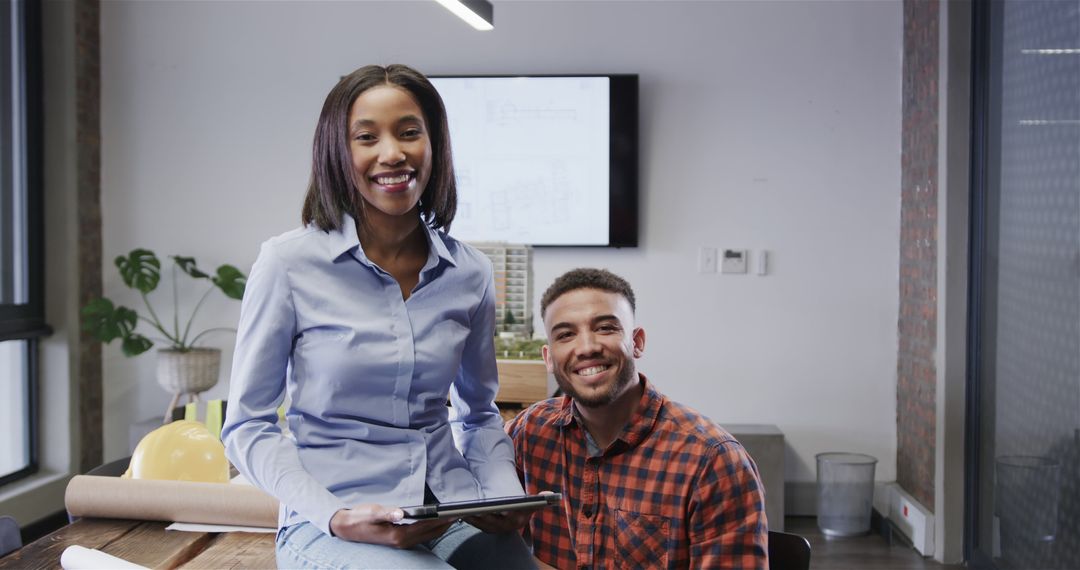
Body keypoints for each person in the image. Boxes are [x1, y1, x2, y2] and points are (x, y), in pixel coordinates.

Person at [221, 64, 536, 569]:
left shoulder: (470, 273)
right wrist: (336, 514)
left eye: (409, 132)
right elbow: (247, 426)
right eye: (367, 137)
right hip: (331, 519)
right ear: (338, 154)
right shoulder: (287, 264)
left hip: (445, 508)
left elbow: (476, 413)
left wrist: (499, 494)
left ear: (435, 145)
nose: (392, 152)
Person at [504, 268, 769, 569]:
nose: (588, 347)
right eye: (566, 335)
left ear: (637, 342)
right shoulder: (529, 433)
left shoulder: (712, 460)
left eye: (605, 328)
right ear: (549, 358)